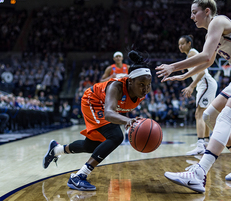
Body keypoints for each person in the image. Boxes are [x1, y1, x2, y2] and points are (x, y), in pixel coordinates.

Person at [156, 0, 231, 193]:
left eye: (195, 12)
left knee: (225, 117)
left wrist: (173, 66)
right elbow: (208, 61)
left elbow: (206, 56)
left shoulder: (218, 21)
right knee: (210, 116)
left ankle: (199, 174)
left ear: (207, 11)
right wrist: (184, 76)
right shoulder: (213, 30)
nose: (192, 16)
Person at [43, 50, 152, 191]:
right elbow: (108, 113)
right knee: (116, 136)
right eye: (142, 85)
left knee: (92, 146)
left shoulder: (141, 91)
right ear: (130, 81)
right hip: (92, 101)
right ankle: (79, 177)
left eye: (148, 85)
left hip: (108, 108)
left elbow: (123, 105)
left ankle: (57, 149)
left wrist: (124, 119)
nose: (145, 89)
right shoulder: (116, 86)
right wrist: (126, 121)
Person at [178, 35, 218, 155]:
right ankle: (205, 142)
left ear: (189, 43)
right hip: (205, 85)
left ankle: (200, 144)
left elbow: (201, 72)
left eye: (182, 44)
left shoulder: (192, 53)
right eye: (179, 45)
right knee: (204, 115)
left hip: (205, 84)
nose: (180, 46)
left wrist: (191, 86)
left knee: (198, 114)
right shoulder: (190, 55)